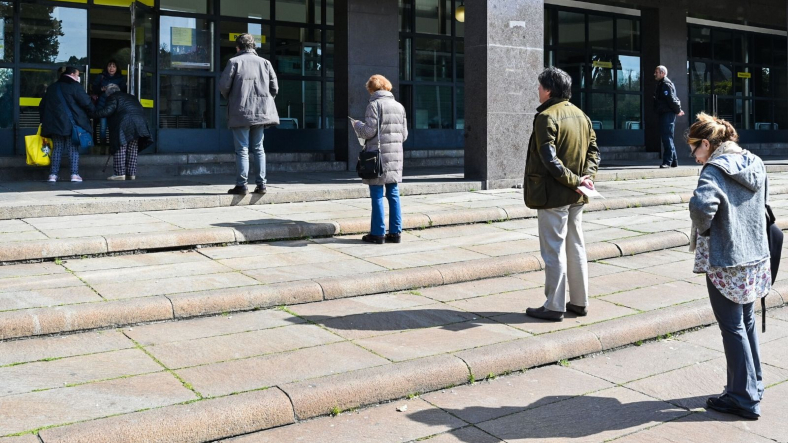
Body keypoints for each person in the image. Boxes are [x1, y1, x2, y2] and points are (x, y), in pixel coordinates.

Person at [688, 113, 770, 420]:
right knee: (746, 321)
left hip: (726, 260)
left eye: (694, 148)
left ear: (707, 144)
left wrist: (706, 229)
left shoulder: (714, 168)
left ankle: (742, 398)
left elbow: (701, 206)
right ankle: (753, 384)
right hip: (755, 256)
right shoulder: (755, 162)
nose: (694, 155)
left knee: (732, 327)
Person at [523, 67, 601, 322]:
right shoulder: (582, 116)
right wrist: (585, 179)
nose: (537, 90)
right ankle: (580, 302)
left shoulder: (546, 116)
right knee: (576, 246)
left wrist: (575, 180)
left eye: (539, 86)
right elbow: (594, 153)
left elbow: (549, 159)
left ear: (549, 90)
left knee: (553, 250)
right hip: (577, 195)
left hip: (553, 195)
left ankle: (554, 305)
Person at [219, 34, 279, 196]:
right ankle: (262, 185)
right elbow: (275, 88)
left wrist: (232, 97)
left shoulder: (234, 62)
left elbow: (223, 86)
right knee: (259, 148)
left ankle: (242, 185)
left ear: (238, 48)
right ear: (253, 47)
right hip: (261, 112)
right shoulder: (266, 63)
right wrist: (264, 101)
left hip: (240, 112)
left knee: (242, 149)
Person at [351, 75, 408, 245]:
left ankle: (377, 233)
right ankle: (395, 233)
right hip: (395, 156)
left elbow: (368, 132)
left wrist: (357, 126)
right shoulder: (399, 106)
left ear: (372, 89)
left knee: (376, 194)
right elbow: (404, 135)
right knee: (393, 193)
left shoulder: (373, 105)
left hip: (378, 156)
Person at [39, 66, 94, 183]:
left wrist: (44, 121)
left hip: (54, 125)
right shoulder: (75, 86)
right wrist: (94, 112)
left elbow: (42, 105)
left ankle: (53, 175)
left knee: (57, 148)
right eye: (78, 75)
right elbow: (86, 102)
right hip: (71, 124)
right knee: (72, 149)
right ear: (73, 74)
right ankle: (74, 174)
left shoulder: (52, 87)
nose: (78, 77)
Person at [91, 83, 152, 181]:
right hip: (139, 123)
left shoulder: (112, 97)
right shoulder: (131, 97)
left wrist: (92, 114)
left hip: (124, 123)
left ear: (108, 93)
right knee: (133, 148)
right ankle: (131, 174)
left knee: (120, 147)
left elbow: (107, 111)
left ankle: (119, 174)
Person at [653, 65, 685, 168]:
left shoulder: (666, 84)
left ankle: (667, 161)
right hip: (664, 113)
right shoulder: (661, 84)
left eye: (656, 72)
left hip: (667, 114)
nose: (655, 74)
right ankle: (674, 161)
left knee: (666, 137)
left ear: (662, 73)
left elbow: (671, 99)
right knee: (668, 137)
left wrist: (678, 110)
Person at [92, 60, 127, 148]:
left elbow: (124, 92)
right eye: (109, 66)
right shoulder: (101, 77)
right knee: (103, 128)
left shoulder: (121, 78)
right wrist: (101, 89)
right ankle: (102, 148)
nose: (111, 68)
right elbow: (94, 88)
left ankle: (113, 147)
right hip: (102, 106)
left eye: (114, 66)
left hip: (115, 107)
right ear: (106, 67)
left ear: (117, 68)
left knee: (114, 128)